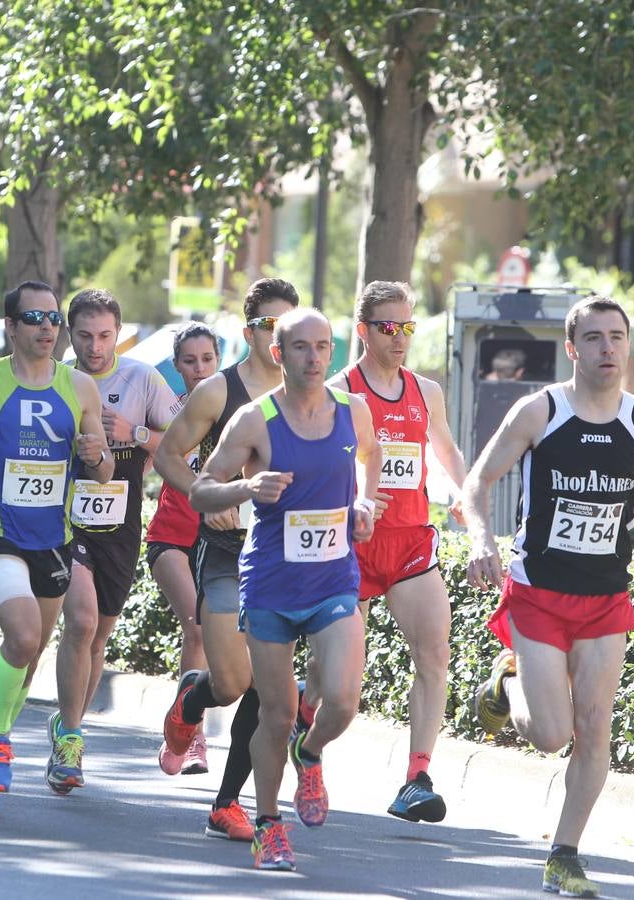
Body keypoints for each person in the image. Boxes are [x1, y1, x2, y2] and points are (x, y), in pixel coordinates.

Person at [463, 296, 634, 898]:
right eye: (593, 338)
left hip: (604, 598)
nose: (607, 348)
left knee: (595, 728)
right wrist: (481, 541)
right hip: (538, 593)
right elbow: (476, 484)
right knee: (551, 734)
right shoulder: (539, 410)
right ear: (572, 348)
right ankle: (507, 679)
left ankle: (564, 855)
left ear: (627, 345)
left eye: (616, 337)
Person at [191, 308, 379, 871]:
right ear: (279, 353)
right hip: (271, 582)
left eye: (323, 346)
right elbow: (202, 490)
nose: (314, 357)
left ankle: (312, 749)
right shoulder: (254, 420)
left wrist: (365, 503)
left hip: (333, 578)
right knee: (274, 713)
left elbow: (370, 463)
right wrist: (248, 487)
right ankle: (269, 824)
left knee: (343, 699)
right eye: (301, 347)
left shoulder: (354, 410)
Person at [0, 280, 111, 818]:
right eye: (33, 319)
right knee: (25, 635)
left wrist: (97, 454)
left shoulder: (80, 389)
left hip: (53, 542)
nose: (47, 328)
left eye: (53, 318)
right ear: (10, 327)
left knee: (27, 659)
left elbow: (98, 473)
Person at [155, 277, 297, 843]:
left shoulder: (314, 394)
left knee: (267, 683)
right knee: (232, 681)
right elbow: (168, 456)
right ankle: (195, 694)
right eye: (269, 325)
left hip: (284, 558)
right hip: (223, 552)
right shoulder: (219, 391)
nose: (279, 335)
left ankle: (227, 803)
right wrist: (204, 496)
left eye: (290, 324)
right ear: (251, 332)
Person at [328, 281, 469, 823]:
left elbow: (447, 450)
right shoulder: (342, 390)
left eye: (407, 326)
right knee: (339, 683)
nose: (400, 337)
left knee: (435, 656)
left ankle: (417, 777)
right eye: (388, 327)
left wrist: (461, 493)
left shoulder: (424, 391)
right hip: (353, 547)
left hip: (411, 543)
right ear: (362, 330)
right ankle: (301, 722)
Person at [48, 288, 181, 795]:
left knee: (98, 635)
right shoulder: (57, 377)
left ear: (119, 334)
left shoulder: (143, 379)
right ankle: (72, 739)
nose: (95, 346)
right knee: (79, 622)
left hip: (120, 521)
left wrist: (136, 433)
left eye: (105, 335)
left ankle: (66, 725)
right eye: (84, 335)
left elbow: (182, 444)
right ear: (69, 334)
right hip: (66, 518)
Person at [143, 323, 220, 774]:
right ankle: (192, 738)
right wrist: (137, 430)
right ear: (177, 367)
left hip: (220, 540)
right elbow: (154, 450)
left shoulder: (235, 410)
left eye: (207, 359)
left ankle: (181, 722)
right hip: (171, 537)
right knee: (197, 627)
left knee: (220, 639)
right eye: (189, 362)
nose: (199, 369)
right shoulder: (172, 411)